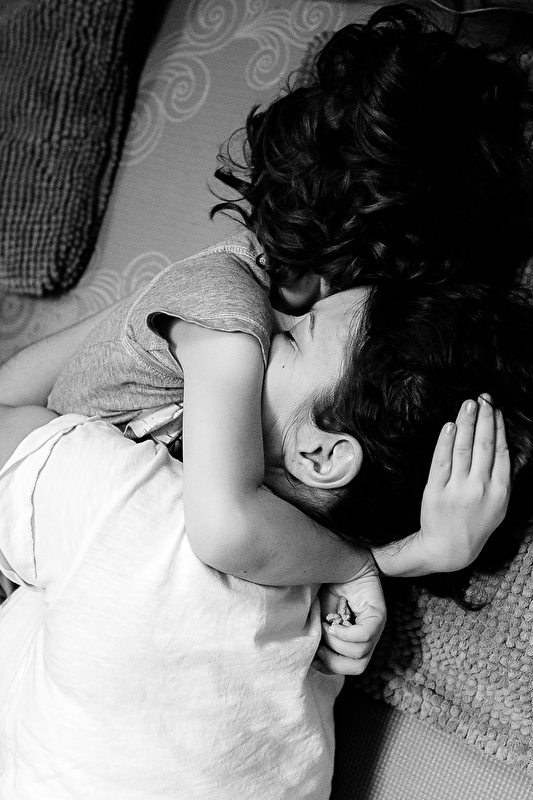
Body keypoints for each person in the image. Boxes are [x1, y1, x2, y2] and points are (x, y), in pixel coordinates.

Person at [0, 284, 518, 799]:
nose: (265, 326)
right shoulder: (326, 623)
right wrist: (419, 554)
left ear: (318, 456)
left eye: (294, 337)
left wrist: (183, 299)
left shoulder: (136, 504)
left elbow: (6, 410)